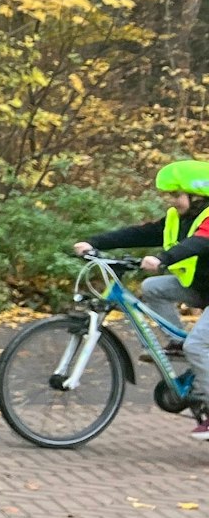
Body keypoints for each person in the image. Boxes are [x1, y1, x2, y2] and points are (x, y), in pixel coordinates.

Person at [73, 158, 209, 438]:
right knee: (153, 288)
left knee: (199, 347)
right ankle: (177, 342)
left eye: (177, 195)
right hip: (201, 287)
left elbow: (197, 244)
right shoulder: (178, 219)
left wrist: (163, 258)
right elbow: (142, 232)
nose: (171, 201)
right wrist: (95, 242)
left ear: (198, 195)